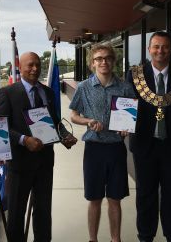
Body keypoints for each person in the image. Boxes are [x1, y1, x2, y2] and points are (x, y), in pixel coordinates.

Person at [0, 51, 77, 242]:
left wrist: (65, 135)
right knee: (16, 213)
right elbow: (1, 125)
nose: (35, 69)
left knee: (43, 212)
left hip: (45, 163)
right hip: (19, 164)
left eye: (38, 65)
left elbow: (55, 121)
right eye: (30, 65)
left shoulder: (47, 92)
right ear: (20, 67)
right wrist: (24, 139)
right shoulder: (8, 93)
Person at [127, 31, 171, 242]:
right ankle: (146, 237)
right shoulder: (135, 74)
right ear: (149, 49)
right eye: (156, 46)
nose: (160, 51)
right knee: (145, 196)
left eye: (165, 47)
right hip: (144, 146)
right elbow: (127, 105)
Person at [69, 45, 136, 242]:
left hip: (116, 149)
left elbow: (132, 116)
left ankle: (116, 239)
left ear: (114, 61)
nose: (103, 61)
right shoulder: (83, 87)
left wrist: (127, 128)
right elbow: (74, 115)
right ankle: (93, 239)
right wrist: (88, 121)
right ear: (92, 63)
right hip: (94, 149)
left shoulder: (125, 87)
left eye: (107, 58)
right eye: (98, 59)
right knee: (94, 199)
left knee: (115, 199)